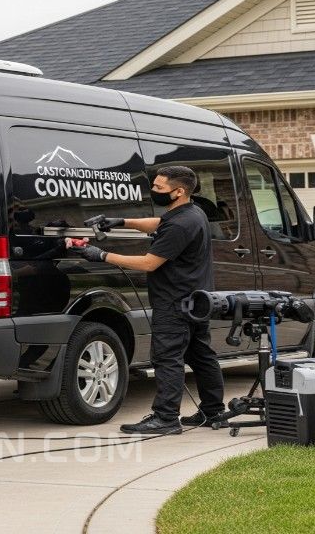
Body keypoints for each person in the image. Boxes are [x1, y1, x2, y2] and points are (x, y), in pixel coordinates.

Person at [70, 166, 226, 434]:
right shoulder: (192, 212)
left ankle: (165, 419)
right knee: (201, 356)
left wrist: (101, 255)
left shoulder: (180, 224)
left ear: (179, 191)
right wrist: (121, 222)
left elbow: (149, 263)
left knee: (167, 358)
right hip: (196, 301)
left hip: (174, 303)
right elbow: (159, 223)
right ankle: (214, 412)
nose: (154, 191)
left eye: (159, 188)